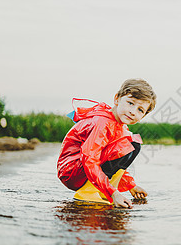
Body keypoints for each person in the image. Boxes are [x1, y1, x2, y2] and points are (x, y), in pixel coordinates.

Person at [57, 79, 156, 208]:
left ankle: (102, 192)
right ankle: (88, 192)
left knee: (132, 144)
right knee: (129, 144)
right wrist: (113, 193)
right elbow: (89, 159)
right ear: (117, 99)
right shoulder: (102, 123)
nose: (133, 111)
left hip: (81, 170)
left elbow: (113, 159)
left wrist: (131, 186)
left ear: (142, 116)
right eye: (130, 103)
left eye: (140, 110)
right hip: (71, 170)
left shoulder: (120, 127)